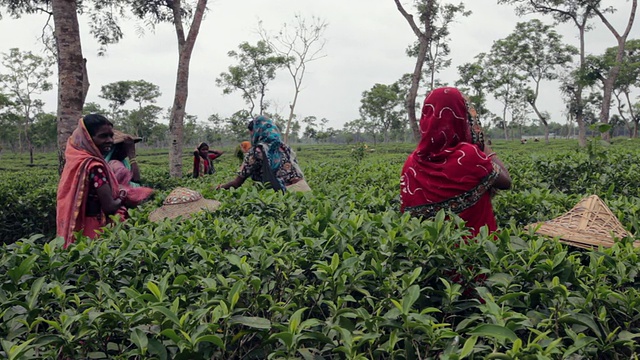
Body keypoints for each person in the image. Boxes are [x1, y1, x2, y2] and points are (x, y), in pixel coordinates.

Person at [400, 87, 511, 236]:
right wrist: (481, 142)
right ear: (458, 118)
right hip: (477, 252)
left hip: (432, 255)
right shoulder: (468, 155)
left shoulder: (411, 164)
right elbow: (506, 181)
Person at [56, 114, 153, 248]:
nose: (109, 140)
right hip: (95, 228)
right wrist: (123, 196)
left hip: (82, 224)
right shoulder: (95, 167)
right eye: (103, 136)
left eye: (110, 136)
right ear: (89, 138)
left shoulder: (77, 161)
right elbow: (109, 206)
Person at [217, 116, 311, 192]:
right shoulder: (285, 147)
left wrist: (220, 188)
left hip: (281, 194)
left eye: (251, 133)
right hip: (302, 191)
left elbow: (237, 182)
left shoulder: (257, 151)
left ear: (257, 131)